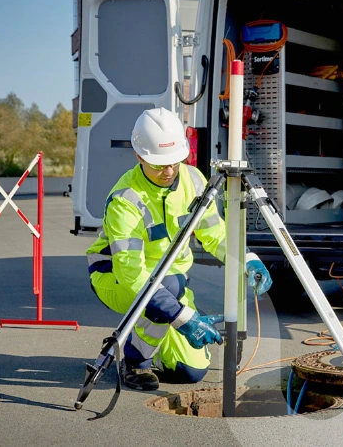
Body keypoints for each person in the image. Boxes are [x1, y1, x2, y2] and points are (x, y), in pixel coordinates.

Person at [85, 107, 272, 391]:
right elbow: (132, 275)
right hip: (116, 278)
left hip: (172, 281)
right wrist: (183, 318)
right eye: (159, 164)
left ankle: (158, 328)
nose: (169, 171)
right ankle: (135, 361)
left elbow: (215, 234)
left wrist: (246, 258)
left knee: (190, 372)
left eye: (175, 161)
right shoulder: (125, 200)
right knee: (166, 289)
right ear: (139, 156)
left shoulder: (193, 178)